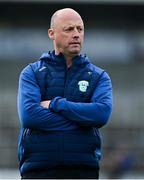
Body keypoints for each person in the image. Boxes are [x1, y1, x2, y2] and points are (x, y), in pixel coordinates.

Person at [17, 8, 113, 179]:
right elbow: (30, 116)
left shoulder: (99, 76)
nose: (76, 34)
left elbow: (101, 114)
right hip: (38, 170)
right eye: (69, 29)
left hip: (84, 170)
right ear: (51, 33)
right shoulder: (32, 72)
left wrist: (56, 104)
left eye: (80, 29)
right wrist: (82, 122)